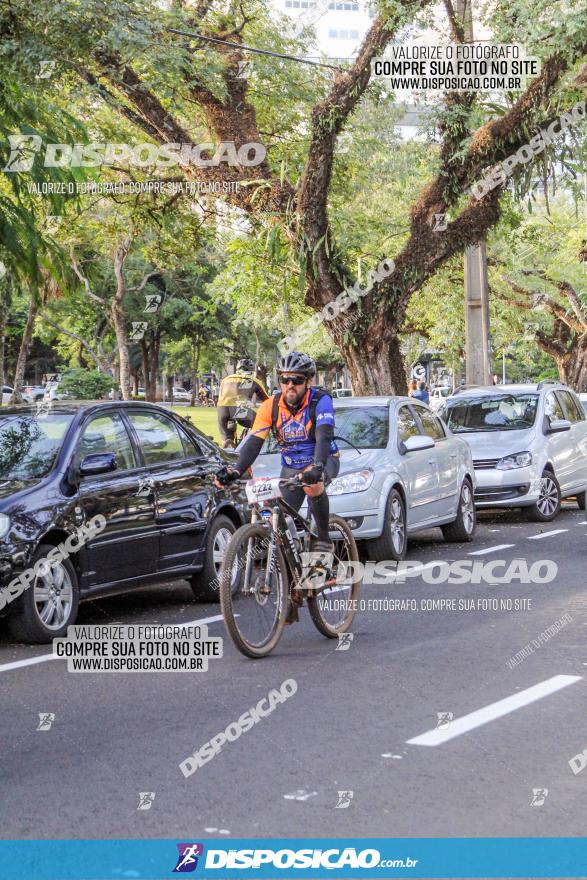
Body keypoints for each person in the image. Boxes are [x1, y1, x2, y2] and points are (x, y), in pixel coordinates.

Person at [216, 351, 339, 554]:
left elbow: (324, 436)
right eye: (285, 379)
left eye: (297, 380)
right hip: (291, 467)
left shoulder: (320, 400)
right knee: (279, 521)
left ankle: (324, 539)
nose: (290, 385)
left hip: (323, 460)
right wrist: (236, 471)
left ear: (308, 381)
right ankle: (290, 567)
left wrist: (317, 466)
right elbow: (254, 443)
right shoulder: (270, 406)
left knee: (312, 485)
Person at [217, 358, 269, 448]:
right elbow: (268, 401)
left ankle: (228, 444)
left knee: (228, 438)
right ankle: (252, 445)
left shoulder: (225, 379)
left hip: (222, 410)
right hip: (238, 409)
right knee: (259, 422)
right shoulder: (253, 380)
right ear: (251, 371)